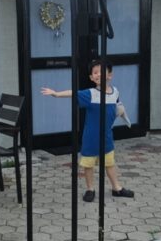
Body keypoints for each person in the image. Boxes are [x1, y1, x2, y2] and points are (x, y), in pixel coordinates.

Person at [41, 59, 134, 202]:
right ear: (91, 77)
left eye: (102, 71)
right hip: (91, 137)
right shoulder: (90, 94)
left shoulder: (115, 92)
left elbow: (118, 105)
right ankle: (90, 189)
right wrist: (56, 94)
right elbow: (73, 92)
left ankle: (117, 188)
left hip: (107, 137)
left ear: (110, 75)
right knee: (88, 164)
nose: (98, 75)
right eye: (95, 72)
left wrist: (123, 114)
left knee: (109, 163)